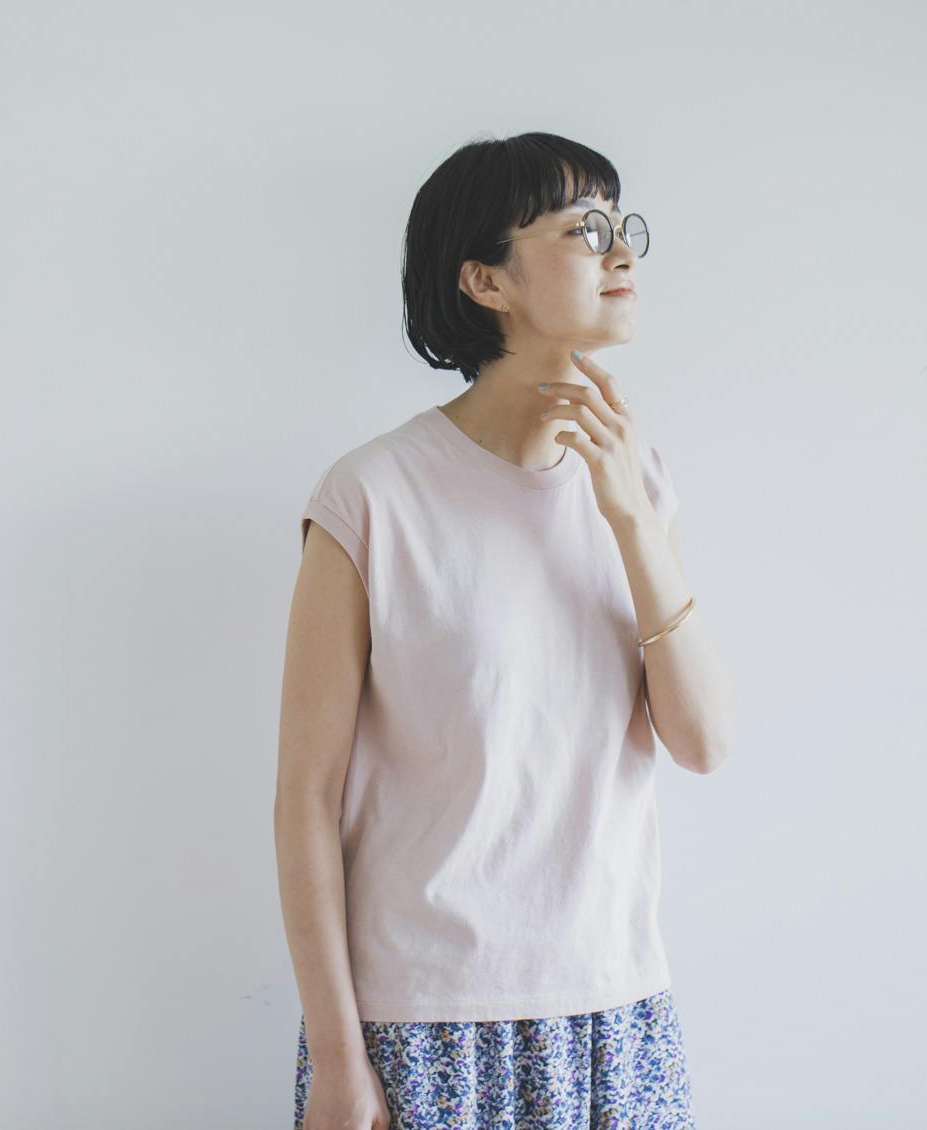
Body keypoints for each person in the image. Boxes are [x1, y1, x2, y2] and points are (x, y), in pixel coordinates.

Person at [274, 131, 734, 1130]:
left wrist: (628, 516)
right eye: (583, 231)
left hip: (614, 1008)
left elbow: (702, 742)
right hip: (420, 1024)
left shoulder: (638, 479)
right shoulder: (372, 497)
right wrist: (338, 1060)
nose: (621, 252)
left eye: (621, 227)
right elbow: (306, 799)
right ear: (485, 280)